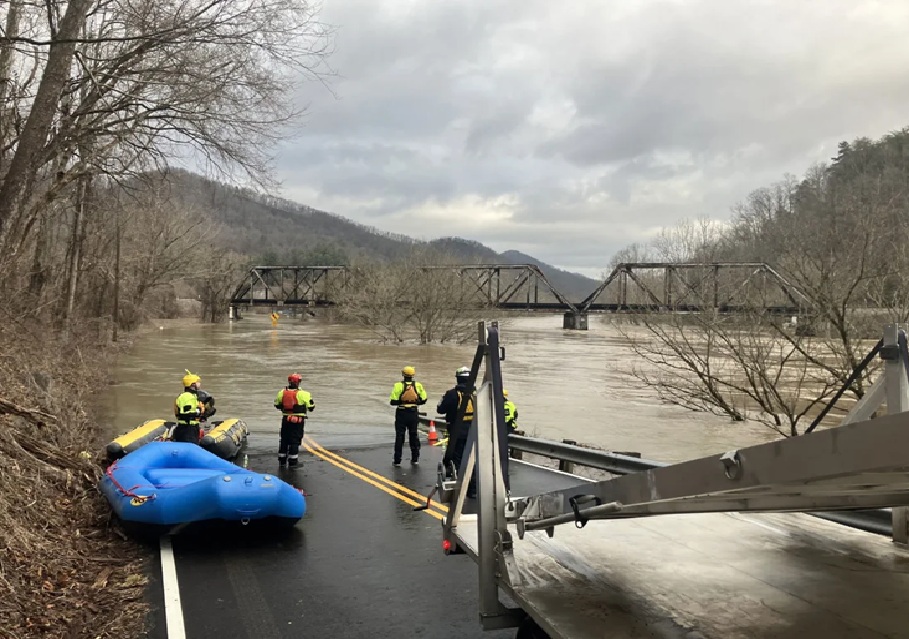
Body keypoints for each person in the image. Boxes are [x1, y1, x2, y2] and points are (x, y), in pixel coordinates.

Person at [437, 366, 475, 480]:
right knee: (471, 457)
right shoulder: (477, 394)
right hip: (473, 431)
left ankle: (458, 479)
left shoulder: (451, 394)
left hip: (456, 430)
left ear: (458, 379)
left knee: (456, 455)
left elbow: (440, 409)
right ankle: (472, 486)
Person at [388, 365, 427, 466]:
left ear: (403, 374)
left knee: (400, 436)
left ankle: (397, 460)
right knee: (413, 435)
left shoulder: (398, 386)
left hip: (401, 413)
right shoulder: (418, 385)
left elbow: (393, 402)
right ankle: (415, 459)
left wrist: (402, 401)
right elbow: (423, 400)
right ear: (413, 375)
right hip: (413, 413)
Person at [274, 373, 315, 468]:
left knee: (284, 439)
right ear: (298, 382)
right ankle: (293, 462)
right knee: (295, 440)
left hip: (285, 419)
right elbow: (311, 407)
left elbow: (277, 405)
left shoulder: (281, 393)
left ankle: (282, 461)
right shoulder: (305, 394)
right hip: (298, 421)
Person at [173, 370, 216, 444]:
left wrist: (205, 413)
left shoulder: (194, 396)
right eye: (197, 382)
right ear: (192, 384)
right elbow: (186, 414)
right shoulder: (186, 396)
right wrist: (200, 412)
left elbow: (194, 412)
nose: (199, 384)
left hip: (193, 428)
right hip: (186, 429)